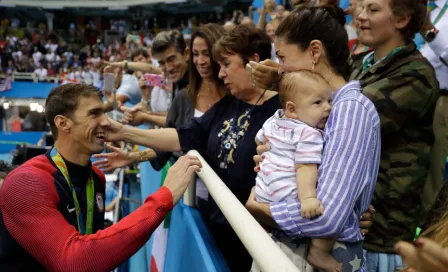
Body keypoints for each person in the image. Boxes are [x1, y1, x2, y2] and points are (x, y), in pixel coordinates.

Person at [102, 24, 278, 271]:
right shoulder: (226, 105)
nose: (219, 72)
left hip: (255, 237)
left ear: (254, 61)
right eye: (197, 55)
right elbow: (181, 136)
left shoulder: (283, 108)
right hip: (217, 226)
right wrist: (124, 133)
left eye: (225, 64)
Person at [0, 83, 201, 271]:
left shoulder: (96, 177)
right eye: (94, 114)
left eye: (104, 112)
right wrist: (163, 198)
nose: (106, 121)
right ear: (63, 123)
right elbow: (73, 261)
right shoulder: (26, 183)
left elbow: (93, 243)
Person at [244, 6, 379, 271]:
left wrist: (261, 209)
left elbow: (328, 218)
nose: (280, 69)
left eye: (282, 57)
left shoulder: (350, 109)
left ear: (315, 52)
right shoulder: (310, 109)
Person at [94, 24, 229, 213]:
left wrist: (140, 119)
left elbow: (177, 134)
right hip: (200, 200)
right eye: (162, 64)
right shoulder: (183, 96)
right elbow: (174, 140)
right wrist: (132, 156)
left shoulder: (235, 92)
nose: (167, 68)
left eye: (172, 59)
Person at [349, 0, 439, 269]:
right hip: (354, 225)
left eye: (373, 10)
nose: (361, 16)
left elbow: (350, 122)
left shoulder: (416, 75)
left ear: (401, 20)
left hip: (383, 236)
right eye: (361, 8)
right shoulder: (359, 65)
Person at [254, 71, 342, 272]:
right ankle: (318, 252)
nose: (328, 107)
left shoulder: (273, 120)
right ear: (292, 109)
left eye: (329, 100)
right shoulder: (308, 133)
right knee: (337, 206)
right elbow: (304, 167)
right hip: (289, 196)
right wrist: (308, 198)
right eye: (318, 103)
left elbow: (259, 140)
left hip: (263, 192)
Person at [419, 0, 448, 215]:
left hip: (444, 101)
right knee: (430, 174)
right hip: (428, 97)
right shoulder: (434, 6)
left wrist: (429, 31)